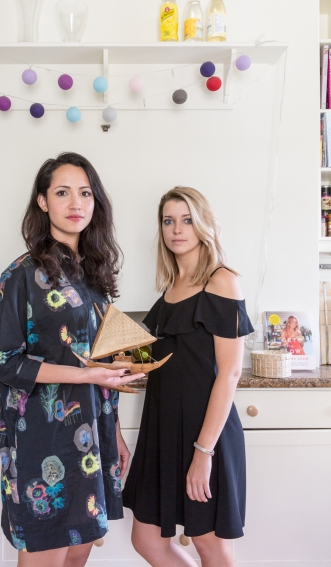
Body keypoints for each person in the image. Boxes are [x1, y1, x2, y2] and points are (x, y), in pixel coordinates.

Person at [0, 152, 144, 567]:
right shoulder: (20, 275)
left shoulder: (94, 278)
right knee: (46, 554)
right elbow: (6, 361)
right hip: (43, 437)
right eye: (62, 193)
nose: (76, 204)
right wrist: (87, 374)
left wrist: (114, 431)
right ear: (42, 202)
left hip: (92, 434)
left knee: (77, 554)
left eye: (85, 193)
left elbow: (102, 362)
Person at [123, 186, 254, 567]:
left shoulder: (222, 280)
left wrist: (203, 452)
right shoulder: (168, 291)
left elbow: (229, 373)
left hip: (205, 434)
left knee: (211, 546)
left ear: (202, 226)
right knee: (146, 539)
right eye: (168, 221)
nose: (177, 229)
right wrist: (109, 358)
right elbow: (152, 353)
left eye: (186, 220)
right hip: (163, 431)